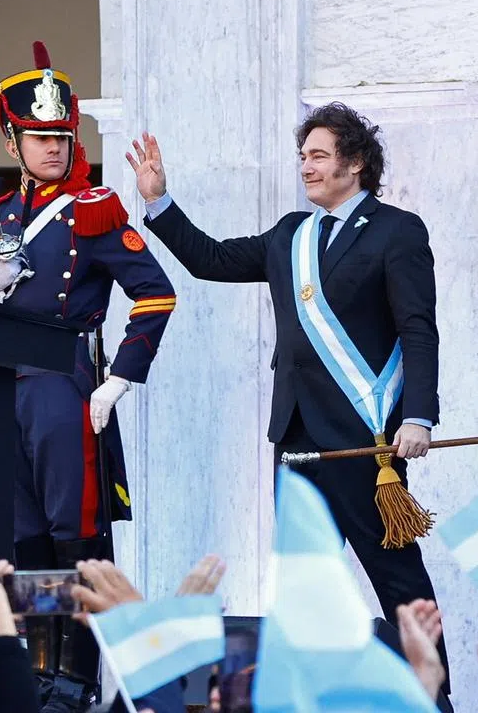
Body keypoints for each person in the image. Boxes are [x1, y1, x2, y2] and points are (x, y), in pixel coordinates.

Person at [130, 102, 448, 690]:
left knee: (397, 578)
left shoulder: (396, 231)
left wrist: (421, 415)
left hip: (365, 439)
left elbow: (417, 328)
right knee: (306, 583)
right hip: (296, 437)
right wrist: (159, 201)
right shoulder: (290, 236)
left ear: (354, 163)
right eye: (302, 156)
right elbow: (211, 261)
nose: (305, 167)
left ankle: (436, 695)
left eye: (319, 156)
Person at [0, 41, 176, 711]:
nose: (54, 148)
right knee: (19, 538)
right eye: (39, 137)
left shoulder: (94, 207)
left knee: (73, 534)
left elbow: (155, 292)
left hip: (61, 379)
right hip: (2, 382)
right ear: (13, 140)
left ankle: (77, 676)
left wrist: (122, 378)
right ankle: (28, 673)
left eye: (61, 136)